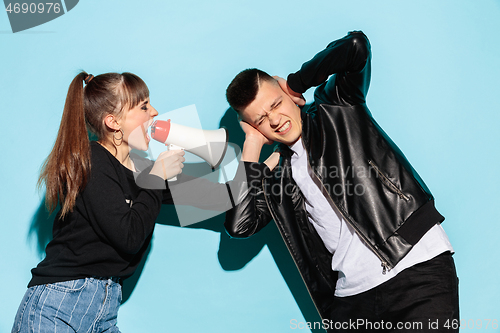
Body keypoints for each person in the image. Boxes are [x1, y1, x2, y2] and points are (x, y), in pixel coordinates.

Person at [224, 31, 459, 332]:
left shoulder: (336, 107)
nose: (274, 120)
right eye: (260, 120)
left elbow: (355, 47)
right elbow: (239, 225)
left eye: (276, 104)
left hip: (415, 266)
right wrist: (252, 146)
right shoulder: (279, 178)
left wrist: (296, 82)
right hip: (350, 301)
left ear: (287, 95)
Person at [11, 72, 232, 332]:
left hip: (105, 308)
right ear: (113, 122)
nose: (155, 112)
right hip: (60, 304)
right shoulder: (92, 160)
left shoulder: (143, 168)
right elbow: (128, 237)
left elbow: (218, 196)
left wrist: (260, 160)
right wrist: (157, 177)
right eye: (144, 106)